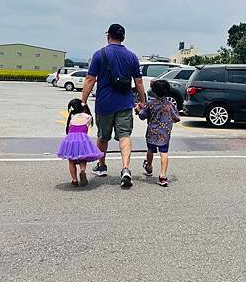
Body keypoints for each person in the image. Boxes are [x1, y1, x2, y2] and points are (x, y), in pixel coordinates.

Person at [81, 24, 146, 188]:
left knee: (103, 136)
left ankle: (101, 166)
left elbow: (90, 79)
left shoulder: (99, 54)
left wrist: (83, 101)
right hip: (125, 103)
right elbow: (138, 82)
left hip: (104, 103)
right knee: (124, 135)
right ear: (123, 37)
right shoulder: (132, 56)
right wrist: (142, 100)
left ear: (108, 36)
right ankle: (125, 168)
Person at [138, 79, 180, 187]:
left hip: (152, 132)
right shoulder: (170, 105)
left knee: (150, 150)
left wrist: (139, 109)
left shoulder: (150, 104)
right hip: (164, 133)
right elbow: (177, 118)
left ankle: (149, 167)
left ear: (154, 91)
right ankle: (163, 176)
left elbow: (142, 116)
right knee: (164, 153)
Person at [56, 99, 101, 187]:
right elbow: (87, 126)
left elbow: (69, 129)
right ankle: (82, 171)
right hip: (83, 139)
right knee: (82, 158)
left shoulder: (72, 117)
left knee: (71, 160)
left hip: (71, 140)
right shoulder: (88, 117)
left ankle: (74, 179)